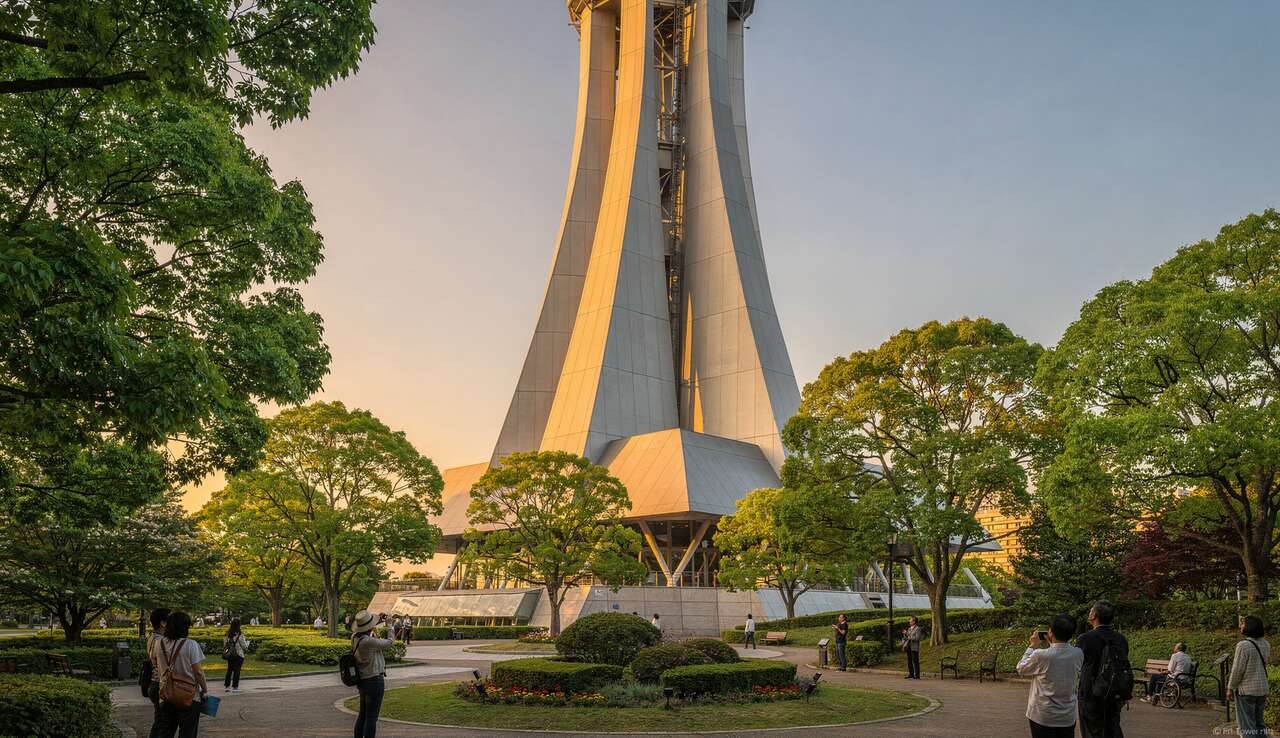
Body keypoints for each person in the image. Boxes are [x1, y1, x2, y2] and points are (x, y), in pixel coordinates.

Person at [1017, 613, 1084, 738]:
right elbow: (1058, 655)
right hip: (1067, 715)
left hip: (1043, 714)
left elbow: (1021, 668)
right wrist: (1053, 643)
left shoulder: (1040, 655)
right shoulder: (1078, 653)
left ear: (1051, 632)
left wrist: (1032, 646)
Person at [1077, 600, 1129, 738]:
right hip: (1114, 692)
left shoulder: (1086, 638)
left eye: (1091, 610)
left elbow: (1078, 663)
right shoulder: (1121, 639)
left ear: (1094, 615)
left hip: (1091, 692)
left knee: (1091, 731)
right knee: (1112, 729)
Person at [155, 610, 208, 738]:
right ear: (185, 627)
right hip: (188, 696)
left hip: (166, 694)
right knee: (187, 732)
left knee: (166, 732)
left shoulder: (159, 643)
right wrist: (205, 690)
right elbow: (198, 672)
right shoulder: (191, 644)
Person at [350, 609, 397, 738]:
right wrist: (390, 626)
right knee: (371, 718)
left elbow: (370, 634)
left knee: (363, 715)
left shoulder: (355, 637)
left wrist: (378, 622)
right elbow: (390, 642)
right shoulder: (367, 641)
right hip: (374, 680)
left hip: (363, 680)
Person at [1227, 615, 1270, 737]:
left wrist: (1230, 687)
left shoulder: (1243, 645)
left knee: (1247, 726)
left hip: (1246, 690)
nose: (1241, 626)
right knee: (1259, 724)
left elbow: (1238, 670)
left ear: (1249, 627)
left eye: (1243, 624)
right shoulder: (1266, 644)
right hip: (1262, 689)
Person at [146, 608, 171, 738]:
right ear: (163, 623)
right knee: (162, 723)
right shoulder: (161, 641)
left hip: (154, 683)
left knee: (160, 721)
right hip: (161, 684)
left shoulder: (153, 637)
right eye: (170, 619)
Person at [222, 618, 249, 694]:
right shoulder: (240, 634)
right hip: (238, 655)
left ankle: (227, 687)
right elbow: (244, 646)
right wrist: (247, 643)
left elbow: (225, 645)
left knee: (229, 670)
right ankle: (235, 687)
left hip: (230, 655)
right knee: (237, 671)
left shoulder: (227, 634)